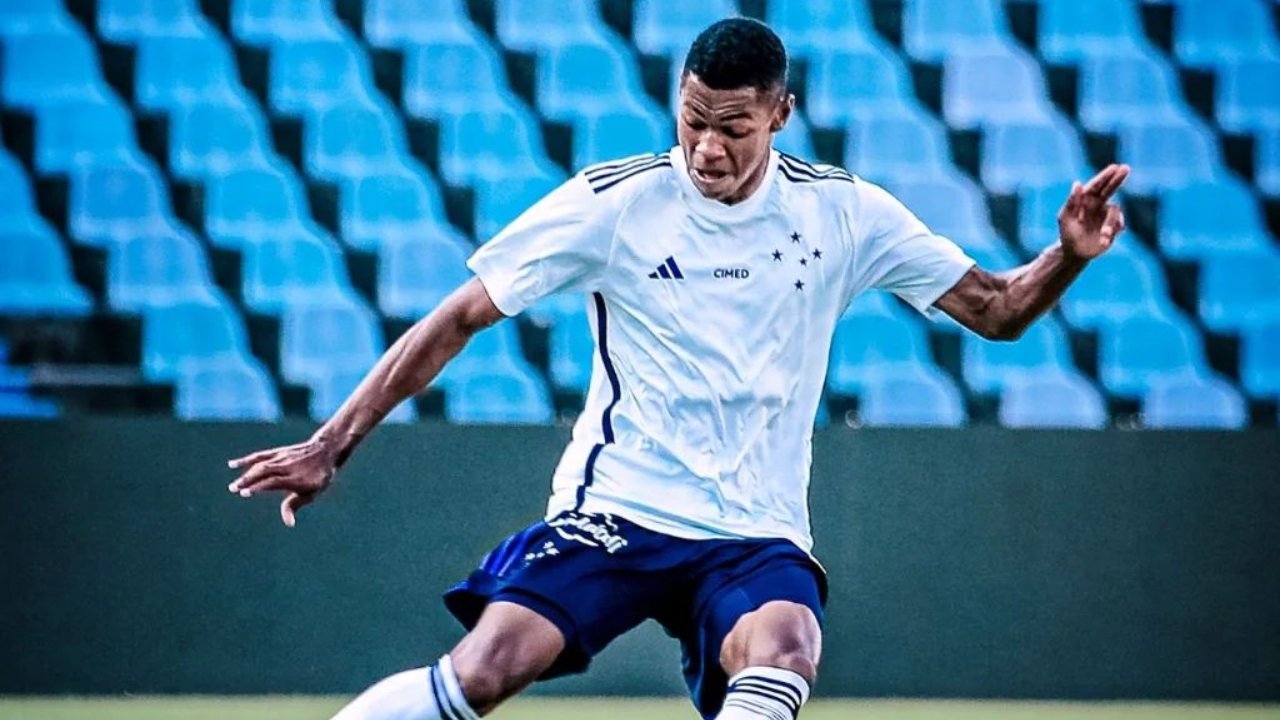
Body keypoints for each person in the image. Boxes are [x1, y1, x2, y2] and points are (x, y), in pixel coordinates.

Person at [225, 17, 1129, 720]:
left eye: (733, 128)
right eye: (693, 119)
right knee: (491, 663)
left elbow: (998, 310)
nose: (706, 148)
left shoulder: (845, 215)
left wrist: (1070, 258)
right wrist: (332, 442)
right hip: (620, 508)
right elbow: (459, 315)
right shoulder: (614, 204)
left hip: (752, 529)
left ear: (781, 113)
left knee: (786, 647)